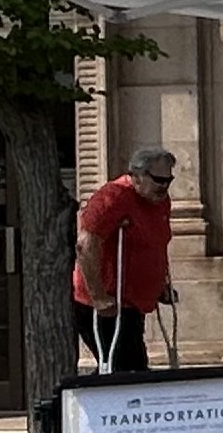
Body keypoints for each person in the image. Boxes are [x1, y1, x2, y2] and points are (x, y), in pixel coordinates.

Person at [74, 146, 179, 372]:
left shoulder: (159, 201)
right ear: (137, 176)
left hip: (133, 305)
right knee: (127, 370)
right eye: (158, 180)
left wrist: (161, 285)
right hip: (109, 305)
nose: (164, 187)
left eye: (168, 180)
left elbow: (156, 243)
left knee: (125, 369)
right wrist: (99, 297)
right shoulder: (113, 198)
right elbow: (86, 244)